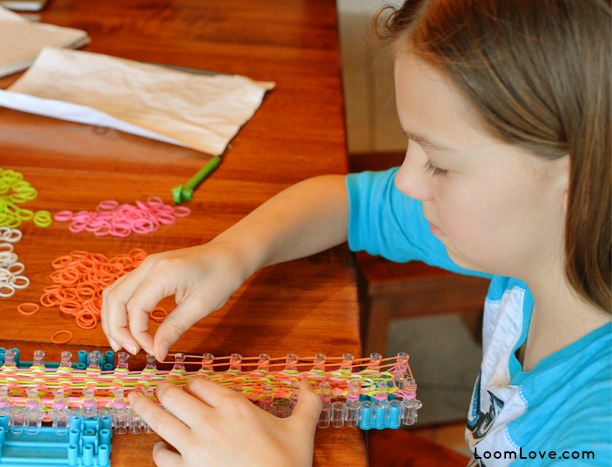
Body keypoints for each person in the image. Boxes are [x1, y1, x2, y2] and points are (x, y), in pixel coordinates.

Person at [101, 0, 611, 465]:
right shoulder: (544, 243)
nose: (407, 181)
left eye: (438, 162)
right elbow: (352, 203)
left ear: (574, 178)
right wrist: (230, 253)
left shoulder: (595, 436)